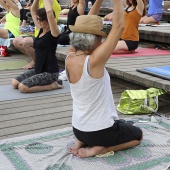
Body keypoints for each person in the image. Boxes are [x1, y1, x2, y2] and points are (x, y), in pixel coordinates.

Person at [66, 0, 143, 158]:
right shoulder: (94, 61)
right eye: (99, 38)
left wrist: (99, 1)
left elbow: (85, 24)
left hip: (78, 129)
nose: (101, 41)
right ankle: (101, 149)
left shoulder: (69, 56)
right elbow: (118, 27)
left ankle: (81, 141)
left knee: (122, 124)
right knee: (137, 135)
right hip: (98, 132)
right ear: (92, 40)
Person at [12, 0, 62, 93]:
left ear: (47, 20)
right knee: (15, 83)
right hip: (39, 69)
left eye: (40, 19)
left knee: (23, 87)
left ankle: (52, 85)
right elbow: (33, 11)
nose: (38, 21)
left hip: (50, 72)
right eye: (37, 19)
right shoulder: (41, 30)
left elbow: (49, 12)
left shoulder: (54, 32)